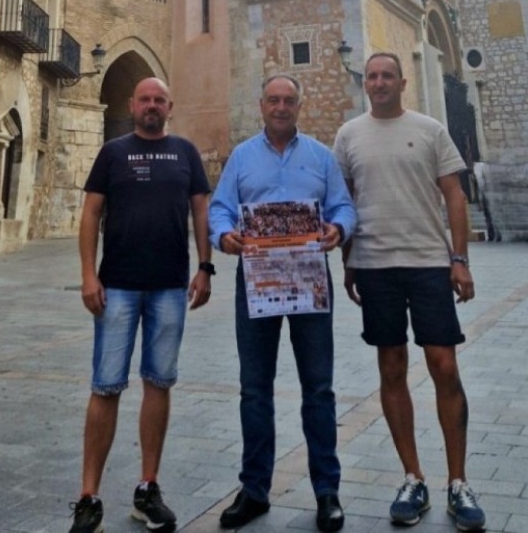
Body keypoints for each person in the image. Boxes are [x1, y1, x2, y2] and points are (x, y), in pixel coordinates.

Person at [333, 53, 486, 531]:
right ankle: (412, 477)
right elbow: (344, 200)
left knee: (444, 364)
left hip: (428, 264)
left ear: (402, 82)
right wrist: (349, 259)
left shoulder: (430, 129)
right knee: (392, 366)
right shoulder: (348, 135)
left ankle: (458, 482)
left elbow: (454, 196)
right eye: (372, 76)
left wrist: (459, 259)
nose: (378, 83)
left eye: (386, 76)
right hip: (375, 265)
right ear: (367, 84)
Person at [209, 74, 356, 532]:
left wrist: (338, 229)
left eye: (288, 100)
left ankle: (326, 491)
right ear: (261, 105)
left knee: (319, 388)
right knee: (254, 388)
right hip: (256, 280)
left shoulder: (320, 156)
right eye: (273, 99)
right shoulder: (241, 157)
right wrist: (224, 236)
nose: (280, 107)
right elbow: (220, 208)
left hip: (309, 280)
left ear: (298, 106)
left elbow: (344, 207)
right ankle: (254, 490)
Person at [70, 77, 213, 533]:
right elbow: (91, 212)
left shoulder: (186, 153)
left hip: (170, 287)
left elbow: (201, 211)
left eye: (159, 100)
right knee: (105, 385)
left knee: (159, 382)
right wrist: (89, 274)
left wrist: (205, 267)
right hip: (118, 288)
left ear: (170, 106)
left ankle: (147, 488)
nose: (152, 106)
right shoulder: (113, 152)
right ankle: (88, 496)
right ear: (132, 106)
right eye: (144, 99)